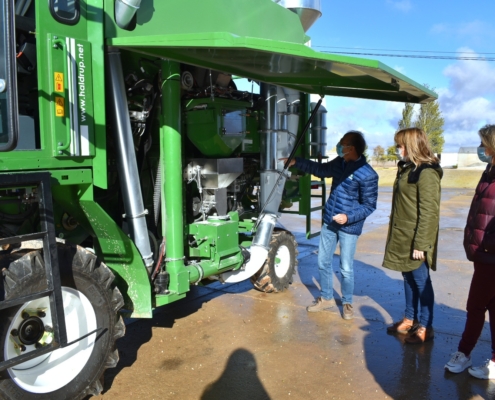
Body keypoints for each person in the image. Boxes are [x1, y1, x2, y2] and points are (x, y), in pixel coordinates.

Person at [284, 130, 378, 320]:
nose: (339, 145)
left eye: (343, 143)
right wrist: (297, 162)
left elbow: (369, 205)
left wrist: (348, 217)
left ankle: (347, 303)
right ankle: (326, 298)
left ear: (351, 148)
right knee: (323, 261)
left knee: (345, 267)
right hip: (330, 221)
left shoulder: (368, 174)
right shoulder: (340, 162)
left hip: (348, 227)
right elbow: (321, 170)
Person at [383, 127, 442, 344]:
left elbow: (429, 213)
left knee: (421, 280)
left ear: (411, 146)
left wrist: (422, 244)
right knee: (408, 278)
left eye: (400, 145)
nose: (398, 149)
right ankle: (410, 319)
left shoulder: (427, 173)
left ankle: (426, 326)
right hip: (403, 236)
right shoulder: (408, 169)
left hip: (415, 239)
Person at [445, 124, 495, 379]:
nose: (480, 149)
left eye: (483, 144)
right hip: (483, 254)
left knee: (475, 306)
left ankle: (463, 354)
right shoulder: (490, 170)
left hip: (490, 256)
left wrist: (487, 245)